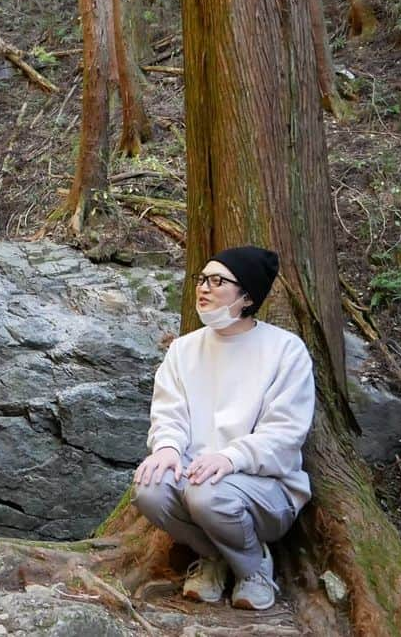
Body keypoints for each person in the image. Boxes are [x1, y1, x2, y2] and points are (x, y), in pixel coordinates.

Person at [132, 246, 315, 610]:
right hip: (196, 481)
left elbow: (285, 432)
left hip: (265, 490)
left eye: (217, 281)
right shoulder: (183, 350)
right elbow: (170, 412)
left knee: (207, 494)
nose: (203, 288)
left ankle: (254, 569)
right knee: (148, 488)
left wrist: (230, 458)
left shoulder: (285, 350)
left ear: (246, 296)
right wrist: (167, 447)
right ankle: (215, 557)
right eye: (202, 279)